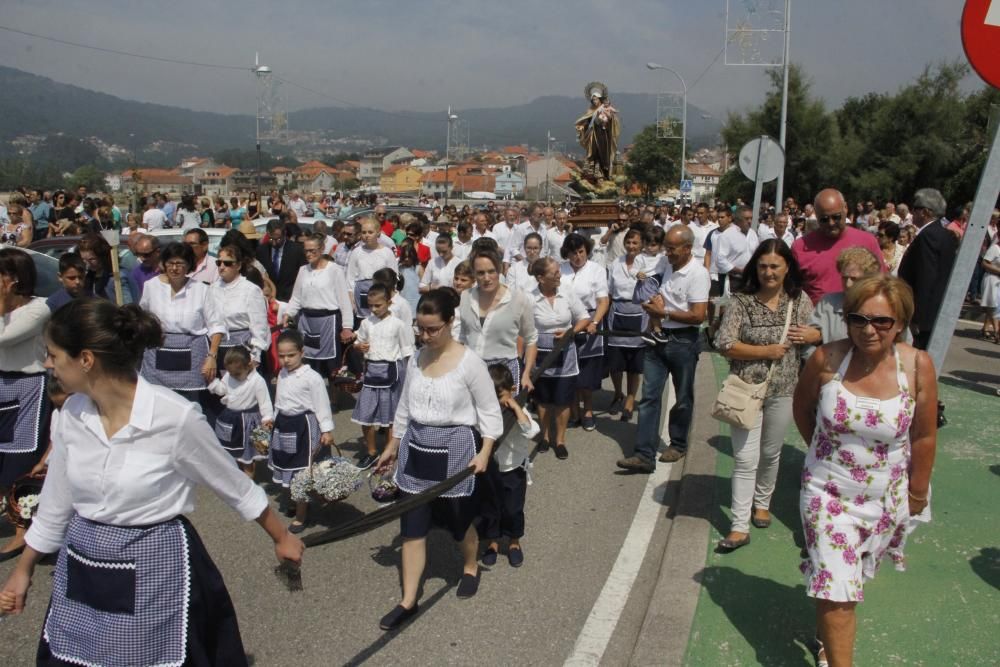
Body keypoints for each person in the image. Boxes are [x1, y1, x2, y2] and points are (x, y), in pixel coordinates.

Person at [0, 299, 302, 665]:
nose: (48, 364)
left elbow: (235, 488)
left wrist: (282, 537)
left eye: (53, 355)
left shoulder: (174, 418)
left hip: (156, 564)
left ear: (85, 359)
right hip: (82, 565)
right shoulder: (72, 415)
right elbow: (55, 504)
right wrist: (23, 570)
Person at [793, 275, 937, 667]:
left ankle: (829, 638)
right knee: (840, 589)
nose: (868, 330)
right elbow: (802, 408)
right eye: (857, 319)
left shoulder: (917, 366)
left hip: (885, 496)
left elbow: (923, 436)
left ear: (901, 323)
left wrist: (917, 493)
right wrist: (824, 454)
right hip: (826, 492)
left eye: (881, 322)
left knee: (847, 580)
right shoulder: (827, 359)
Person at [373, 289, 503, 630]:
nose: (425, 336)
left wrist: (485, 450)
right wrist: (392, 444)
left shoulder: (469, 362)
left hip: (456, 450)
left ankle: (471, 565)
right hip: (417, 447)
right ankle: (408, 600)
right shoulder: (416, 358)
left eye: (433, 329)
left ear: (450, 323)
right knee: (412, 527)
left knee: (459, 523)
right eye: (420, 329)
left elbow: (490, 411)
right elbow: (403, 407)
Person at [713, 239, 814, 551]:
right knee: (745, 458)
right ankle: (739, 525)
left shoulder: (799, 302)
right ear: (754, 268)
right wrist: (765, 351)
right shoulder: (741, 302)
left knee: (771, 453)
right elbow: (724, 342)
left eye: (775, 266)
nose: (768, 272)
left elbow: (813, 338)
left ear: (787, 269)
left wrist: (815, 334)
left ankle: (762, 502)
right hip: (745, 390)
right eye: (763, 266)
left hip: (783, 390)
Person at [618, 226, 709, 472]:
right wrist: (648, 295)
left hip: (683, 341)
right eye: (666, 247)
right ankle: (643, 454)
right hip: (656, 339)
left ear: (687, 248)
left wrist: (664, 312)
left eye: (672, 248)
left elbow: (698, 316)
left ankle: (678, 444)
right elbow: (647, 284)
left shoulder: (698, 274)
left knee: (682, 397)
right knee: (649, 397)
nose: (667, 253)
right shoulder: (664, 265)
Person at [0, 248, 51, 560]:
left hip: (29, 385)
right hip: (1, 383)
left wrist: (4, 302)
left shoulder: (38, 309)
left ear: (13, 279)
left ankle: (24, 532)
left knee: (20, 464)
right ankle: (14, 519)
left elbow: (3, 338)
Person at [139, 242, 225, 411]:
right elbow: (142, 318)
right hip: (158, 352)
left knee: (190, 406)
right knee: (158, 405)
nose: (175, 268)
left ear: (189, 266)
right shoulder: (151, 286)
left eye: (180, 264)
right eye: (171, 263)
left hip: (192, 353)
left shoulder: (201, 290)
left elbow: (216, 326)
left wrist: (212, 356)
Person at [269, 329, 336, 533]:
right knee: (286, 464)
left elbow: (322, 404)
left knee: (301, 470)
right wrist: (273, 419)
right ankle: (293, 500)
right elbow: (279, 400)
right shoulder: (281, 374)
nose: (286, 360)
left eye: (291, 355)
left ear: (302, 352)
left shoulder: (312, 377)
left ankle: (301, 514)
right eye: (281, 356)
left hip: (304, 426)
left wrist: (326, 429)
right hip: (284, 424)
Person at [529, 257, 591, 459]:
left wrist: (570, 332)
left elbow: (583, 317)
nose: (559, 275)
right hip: (540, 354)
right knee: (544, 399)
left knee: (563, 399)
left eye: (558, 271)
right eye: (554, 273)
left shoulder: (566, 292)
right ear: (540, 277)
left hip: (565, 352)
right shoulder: (529, 298)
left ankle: (560, 440)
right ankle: (545, 436)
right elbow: (524, 329)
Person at [480, 363, 538, 568]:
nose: (497, 402)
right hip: (491, 468)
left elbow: (532, 432)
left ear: (512, 391)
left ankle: (514, 542)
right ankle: (493, 542)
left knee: (513, 509)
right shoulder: (485, 410)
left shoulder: (518, 410)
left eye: (501, 396)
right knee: (491, 508)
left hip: (514, 468)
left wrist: (515, 407)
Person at [459, 248, 538, 395]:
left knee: (504, 417)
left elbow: (531, 339)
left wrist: (526, 374)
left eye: (491, 271)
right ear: (474, 274)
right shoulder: (465, 296)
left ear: (500, 269)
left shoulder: (518, 299)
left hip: (505, 375)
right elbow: (463, 337)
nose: (486, 278)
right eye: (480, 273)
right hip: (471, 371)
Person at [351, 284, 412, 468]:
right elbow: (358, 341)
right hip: (371, 374)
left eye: (379, 305)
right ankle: (371, 451)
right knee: (366, 415)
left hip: (391, 374)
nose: (374, 309)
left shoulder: (398, 325)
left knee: (390, 418)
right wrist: (358, 346)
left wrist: (408, 378)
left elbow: (407, 351)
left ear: (389, 302)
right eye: (371, 305)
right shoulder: (366, 323)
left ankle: (390, 452)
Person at [792, 189, 885, 305]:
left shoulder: (868, 242)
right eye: (824, 219)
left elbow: (882, 283)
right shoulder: (800, 247)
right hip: (815, 320)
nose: (831, 223)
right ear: (816, 214)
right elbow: (792, 291)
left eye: (836, 217)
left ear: (845, 208)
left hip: (859, 318)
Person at [283, 233, 354, 380]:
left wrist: (347, 327)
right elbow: (296, 297)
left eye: (312, 251)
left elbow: (344, 301)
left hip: (328, 320)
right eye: (306, 251)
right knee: (307, 362)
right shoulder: (303, 270)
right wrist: (288, 314)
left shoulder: (334, 270)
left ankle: (334, 398)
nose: (308, 254)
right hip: (307, 321)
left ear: (322, 249)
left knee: (331, 365)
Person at [559, 233, 609, 431]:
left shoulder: (596, 270)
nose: (577, 257)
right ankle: (573, 410)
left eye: (580, 252)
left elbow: (603, 301)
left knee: (586, 373)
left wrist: (595, 321)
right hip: (565, 323)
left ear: (587, 250)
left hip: (589, 321)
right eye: (572, 253)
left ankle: (587, 410)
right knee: (568, 370)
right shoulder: (560, 270)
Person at [897, 188, 959, 349]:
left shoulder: (928, 236)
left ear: (925, 212)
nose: (912, 213)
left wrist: (918, 317)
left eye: (915, 209)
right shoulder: (944, 234)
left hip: (926, 314)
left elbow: (926, 277)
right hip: (935, 311)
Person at [800, 248, 882, 358]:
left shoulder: (882, 304)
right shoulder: (828, 303)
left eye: (854, 279)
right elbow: (807, 343)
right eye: (844, 278)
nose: (848, 284)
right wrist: (821, 364)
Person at [208, 345, 273, 476]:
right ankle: (238, 472)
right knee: (233, 451)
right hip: (230, 418)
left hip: (251, 421)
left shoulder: (257, 380)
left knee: (249, 454)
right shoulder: (229, 375)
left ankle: (249, 477)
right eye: (230, 373)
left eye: (237, 374)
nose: (233, 376)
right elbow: (222, 390)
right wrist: (213, 383)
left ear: (248, 365)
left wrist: (267, 419)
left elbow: (265, 402)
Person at [606, 229, 647, 422]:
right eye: (629, 242)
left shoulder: (645, 264)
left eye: (635, 243)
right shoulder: (616, 263)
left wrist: (644, 280)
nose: (631, 246)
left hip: (638, 312)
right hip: (617, 312)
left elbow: (651, 290)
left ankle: (631, 398)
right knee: (616, 362)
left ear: (641, 245)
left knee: (633, 363)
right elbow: (609, 290)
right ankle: (617, 393)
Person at [212, 244, 271, 366]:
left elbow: (259, 326)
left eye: (227, 263)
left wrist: (256, 355)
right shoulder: (212, 289)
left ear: (238, 265)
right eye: (219, 263)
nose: (222, 267)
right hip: (218, 348)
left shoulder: (251, 290)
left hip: (243, 350)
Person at [347, 217, 399, 320]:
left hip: (382, 294)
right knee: (364, 323)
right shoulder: (357, 252)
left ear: (378, 233)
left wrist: (393, 297)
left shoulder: (387, 252)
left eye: (370, 232)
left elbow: (394, 276)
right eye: (364, 232)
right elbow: (350, 277)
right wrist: (351, 299)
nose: (367, 235)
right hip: (362, 294)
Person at [256, 217, 307, 302]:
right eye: (271, 239)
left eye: (278, 239)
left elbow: (303, 276)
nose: (274, 243)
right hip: (269, 300)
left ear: (285, 234)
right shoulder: (262, 250)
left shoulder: (297, 250)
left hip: (291, 300)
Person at [713, 205, 760, 295]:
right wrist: (740, 271)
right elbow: (720, 260)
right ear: (737, 220)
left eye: (751, 218)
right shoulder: (727, 235)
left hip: (751, 279)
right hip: (733, 280)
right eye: (746, 219)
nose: (750, 221)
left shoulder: (753, 233)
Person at [127, 234, 161, 302]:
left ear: (157, 252)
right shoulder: (136, 273)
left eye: (146, 255)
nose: (142, 258)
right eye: (139, 254)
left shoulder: (170, 270)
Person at [979, 233, 1000, 342]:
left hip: (998, 280)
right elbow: (985, 263)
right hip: (992, 279)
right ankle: (997, 332)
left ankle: (986, 329)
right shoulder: (995, 248)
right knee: (993, 306)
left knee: (994, 306)